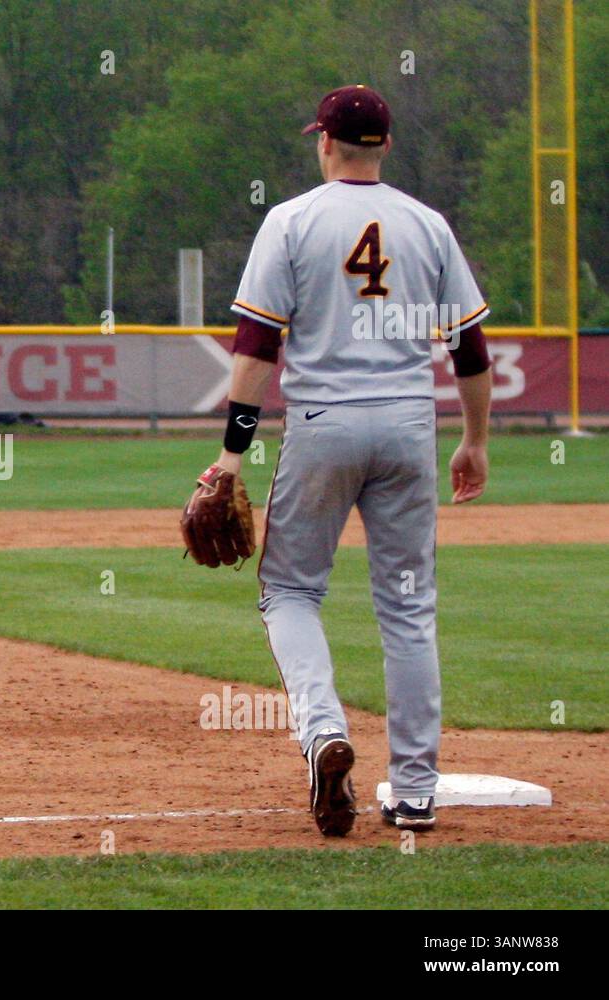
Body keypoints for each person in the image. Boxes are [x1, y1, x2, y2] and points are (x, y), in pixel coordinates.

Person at [212, 86, 492, 835]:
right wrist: (475, 439)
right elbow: (468, 350)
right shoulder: (428, 226)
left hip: (325, 423)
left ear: (325, 142)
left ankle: (324, 731)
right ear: (388, 146)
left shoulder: (292, 220)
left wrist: (231, 458)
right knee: (408, 609)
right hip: (407, 425)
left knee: (291, 594)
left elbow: (256, 351)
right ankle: (415, 793)